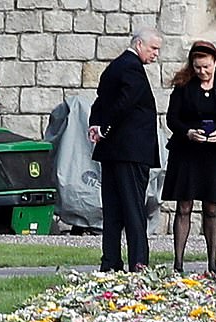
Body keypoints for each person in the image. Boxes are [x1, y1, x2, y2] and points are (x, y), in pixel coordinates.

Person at [162, 40, 216, 275]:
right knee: (184, 206)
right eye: (197, 67)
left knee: (211, 208)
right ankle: (178, 263)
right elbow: (172, 118)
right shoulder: (183, 86)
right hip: (187, 151)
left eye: (206, 67)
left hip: (215, 153)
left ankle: (213, 264)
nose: (202, 72)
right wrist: (187, 132)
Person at [88, 28, 162, 272]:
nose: (156, 54)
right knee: (133, 208)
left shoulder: (115, 66)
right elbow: (124, 103)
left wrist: (95, 125)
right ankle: (138, 262)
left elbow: (101, 100)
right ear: (139, 44)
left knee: (112, 209)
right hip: (130, 152)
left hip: (112, 152)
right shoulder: (132, 68)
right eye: (153, 48)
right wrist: (105, 128)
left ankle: (110, 261)